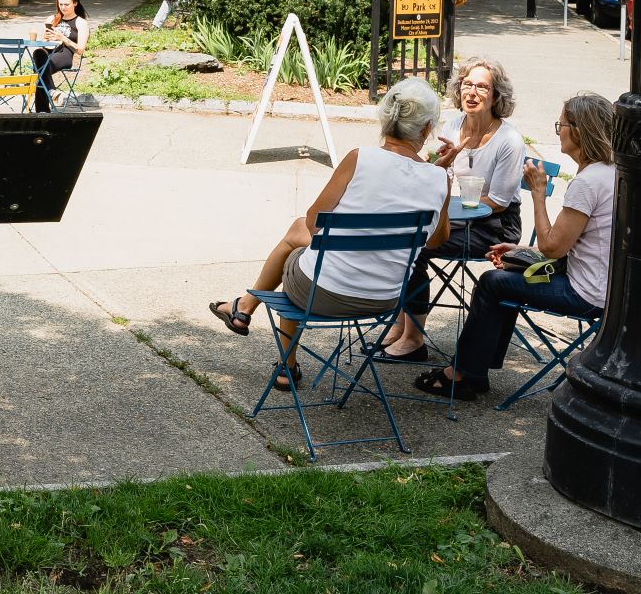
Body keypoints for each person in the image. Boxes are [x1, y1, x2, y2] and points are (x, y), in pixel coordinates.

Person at [210, 78, 452, 390]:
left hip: (324, 293)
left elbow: (314, 222)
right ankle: (243, 309)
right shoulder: (438, 177)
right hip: (385, 299)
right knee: (304, 247)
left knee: (297, 250)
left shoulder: (359, 158)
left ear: (386, 118)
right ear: (427, 128)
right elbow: (435, 241)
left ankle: (280, 357)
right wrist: (440, 178)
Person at [414, 92, 618, 400]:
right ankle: (476, 368)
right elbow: (577, 244)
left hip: (586, 293)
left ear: (578, 130)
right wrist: (522, 252)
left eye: (561, 124)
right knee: (506, 278)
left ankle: (465, 374)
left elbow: (552, 248)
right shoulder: (612, 173)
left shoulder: (588, 182)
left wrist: (538, 193)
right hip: (606, 285)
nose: (558, 130)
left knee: (492, 282)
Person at [381, 57, 527, 361]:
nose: (472, 92)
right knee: (402, 236)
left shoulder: (509, 140)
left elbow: (498, 201)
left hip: (495, 226)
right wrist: (440, 165)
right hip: (457, 215)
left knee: (417, 245)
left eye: (482, 87)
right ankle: (397, 326)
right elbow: (436, 173)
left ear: (496, 96)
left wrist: (451, 210)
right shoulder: (454, 125)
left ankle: (413, 339)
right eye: (468, 84)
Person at [29, 0, 90, 112]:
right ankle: (51, 92)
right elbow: (44, 43)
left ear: (75, 3)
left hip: (65, 53)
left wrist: (63, 38)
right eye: (60, 4)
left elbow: (80, 50)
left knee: (40, 70)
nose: (63, 7)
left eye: (66, 4)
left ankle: (42, 110)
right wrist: (45, 39)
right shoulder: (51, 19)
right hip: (49, 51)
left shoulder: (81, 22)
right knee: (38, 53)